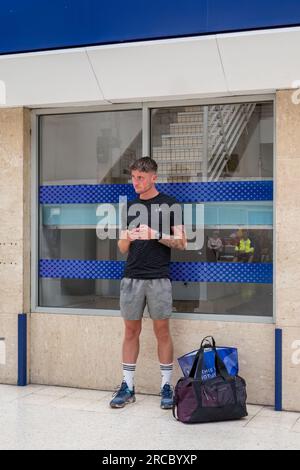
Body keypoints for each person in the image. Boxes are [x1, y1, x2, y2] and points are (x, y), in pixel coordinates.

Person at [110, 157, 187, 410]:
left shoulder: (171, 204)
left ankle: (166, 386)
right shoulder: (129, 207)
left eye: (140, 178)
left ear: (154, 177)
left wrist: (156, 235)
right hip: (132, 277)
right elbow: (121, 247)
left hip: (158, 278)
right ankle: (128, 387)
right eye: (133, 177)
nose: (135, 182)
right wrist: (129, 237)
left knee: (162, 332)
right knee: (130, 332)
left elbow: (182, 242)